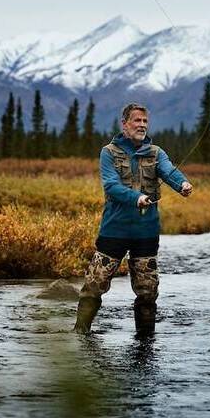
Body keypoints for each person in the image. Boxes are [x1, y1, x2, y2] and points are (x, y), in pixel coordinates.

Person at [74, 103, 193, 336]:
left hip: (145, 233)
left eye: (145, 122)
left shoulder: (156, 153)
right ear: (125, 124)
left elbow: (169, 171)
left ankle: (145, 342)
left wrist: (183, 185)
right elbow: (111, 185)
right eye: (137, 121)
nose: (142, 125)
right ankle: (80, 333)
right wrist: (135, 198)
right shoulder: (108, 152)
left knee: (147, 292)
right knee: (93, 286)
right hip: (114, 230)